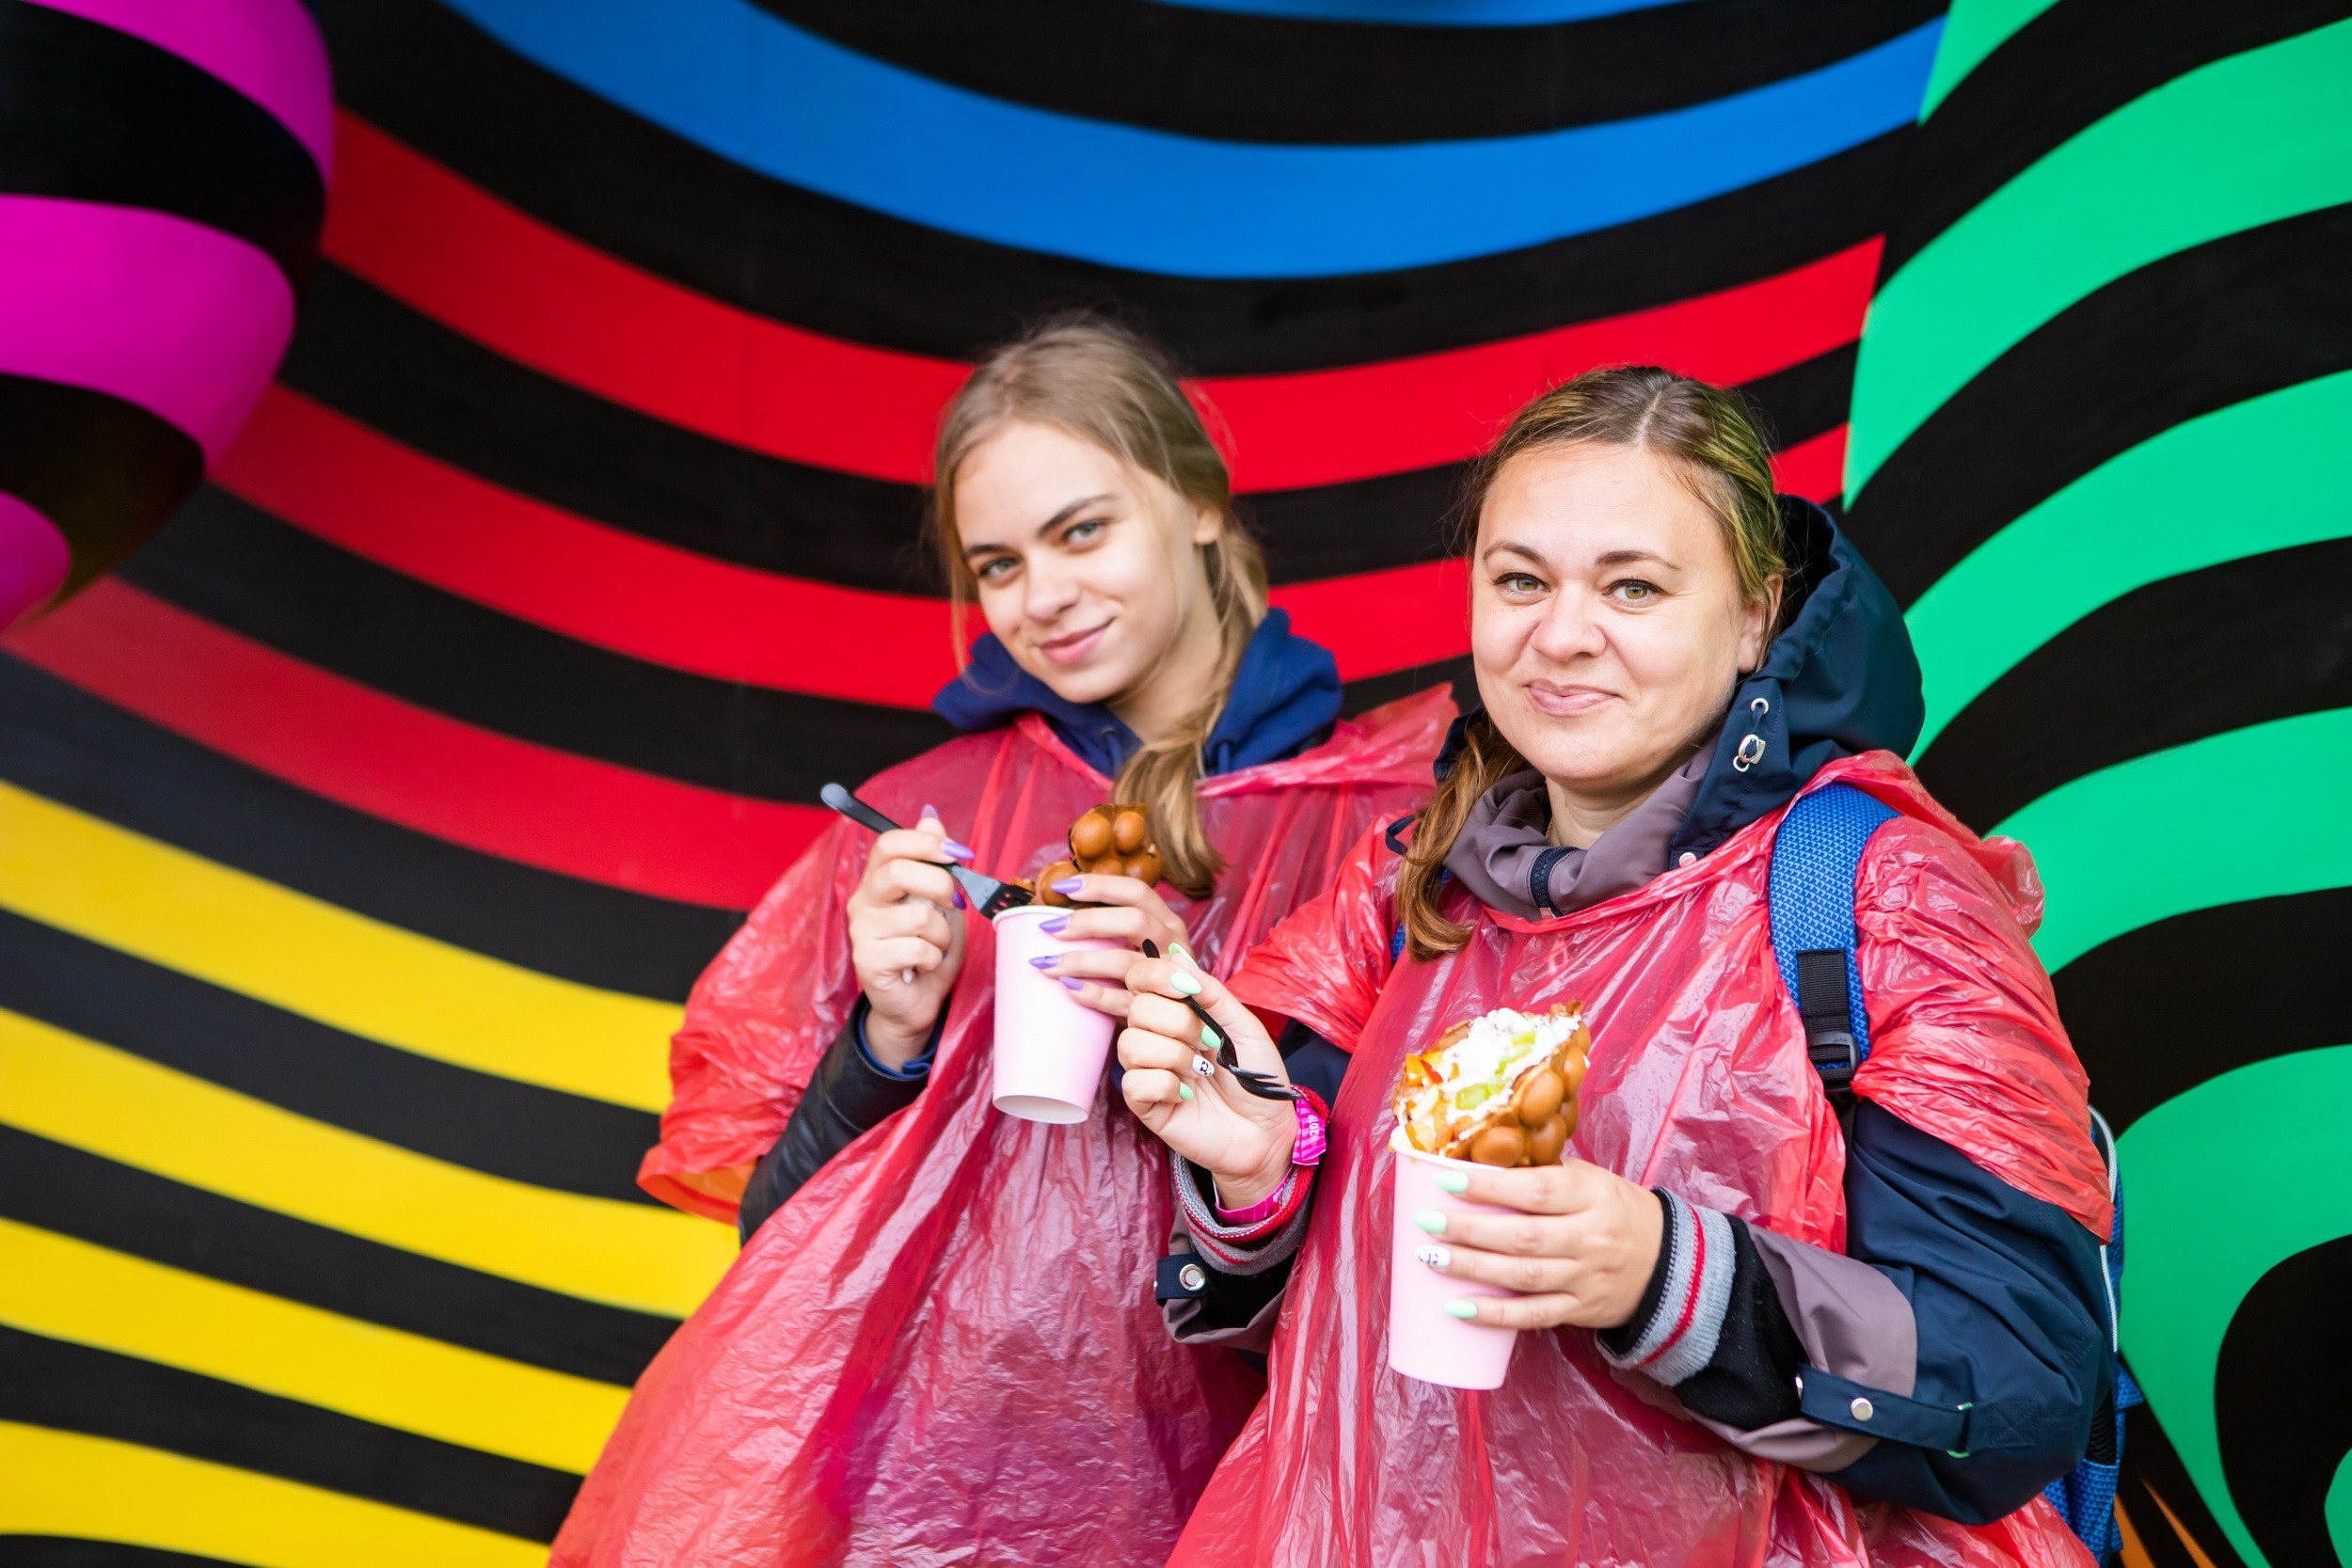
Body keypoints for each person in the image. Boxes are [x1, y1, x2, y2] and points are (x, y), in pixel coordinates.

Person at [1113, 367, 2117, 1566]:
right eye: (1519, 579)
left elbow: (2012, 1378)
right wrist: (1264, 1176)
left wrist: (1658, 1271)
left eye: (1631, 585)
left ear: (1753, 615)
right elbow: (1312, 1329)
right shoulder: (1402, 891)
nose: (1561, 632)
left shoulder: (1872, 894)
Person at [550, 319, 1452, 1567]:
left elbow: (1419, 1239)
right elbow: (784, 1241)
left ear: (1195, 501)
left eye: (1083, 529)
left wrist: (1225, 1062)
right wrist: (890, 1030)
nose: (1045, 595)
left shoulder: (1396, 823)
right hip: (910, 1502)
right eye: (999, 563)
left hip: (1252, 1501)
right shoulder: (922, 819)